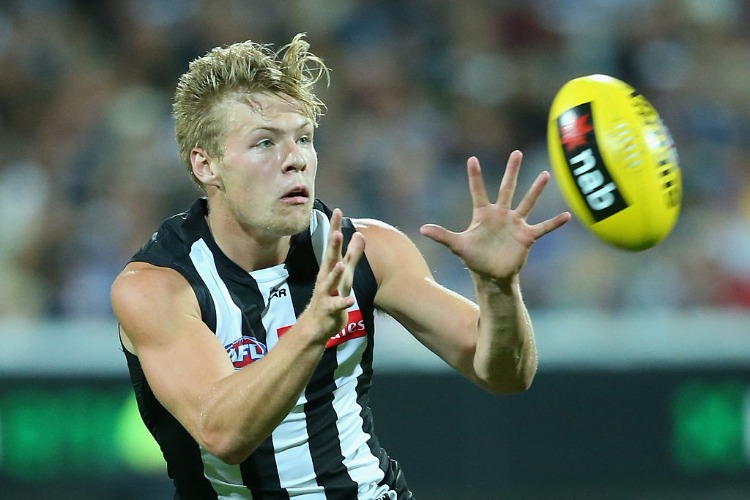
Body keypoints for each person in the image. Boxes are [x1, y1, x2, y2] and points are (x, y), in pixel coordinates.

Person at [110, 33, 571, 499]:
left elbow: (506, 375)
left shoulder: (370, 248)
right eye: (265, 143)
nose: (295, 160)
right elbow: (222, 434)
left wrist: (498, 287)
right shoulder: (159, 286)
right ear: (206, 165)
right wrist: (313, 327)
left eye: (304, 139)